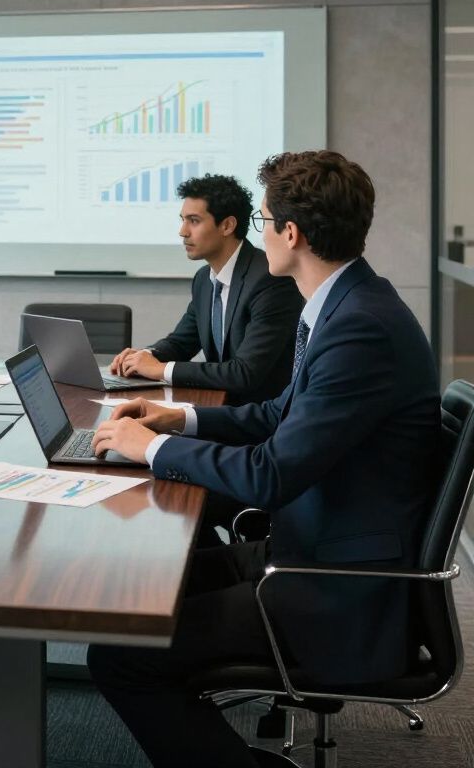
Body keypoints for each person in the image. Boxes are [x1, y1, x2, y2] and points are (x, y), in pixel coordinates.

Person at [88, 150, 441, 768]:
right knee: (157, 583)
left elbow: (272, 473)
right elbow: (281, 413)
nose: (260, 232)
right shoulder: (347, 304)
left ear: (292, 234)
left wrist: (155, 450)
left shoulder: (360, 326)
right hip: (316, 546)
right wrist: (181, 418)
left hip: (337, 588)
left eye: (263, 219)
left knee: (119, 657)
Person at [109, 173, 301, 405]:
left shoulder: (270, 280)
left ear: (227, 225)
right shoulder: (204, 279)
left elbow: (244, 373)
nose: (183, 231)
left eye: (194, 221)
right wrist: (144, 356)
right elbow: (181, 343)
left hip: (261, 418)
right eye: (182, 219)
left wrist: (160, 370)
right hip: (220, 407)